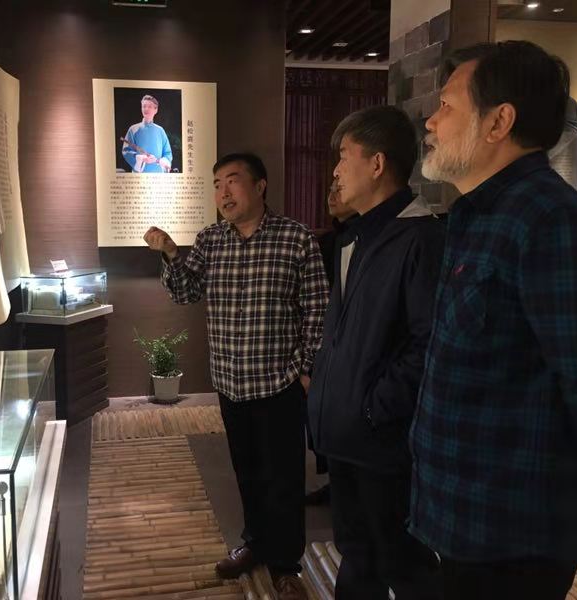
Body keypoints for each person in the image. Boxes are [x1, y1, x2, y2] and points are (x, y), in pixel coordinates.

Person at [409, 41, 577, 600]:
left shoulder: (551, 223)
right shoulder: (477, 214)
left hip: (514, 535)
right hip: (463, 518)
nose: (431, 121)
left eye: (447, 105)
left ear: (499, 121)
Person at [143, 152, 328, 600]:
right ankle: (255, 543)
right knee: (247, 472)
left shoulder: (296, 239)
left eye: (232, 181)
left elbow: (318, 311)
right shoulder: (210, 240)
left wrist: (306, 372)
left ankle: (285, 565)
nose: (223, 192)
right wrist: (171, 253)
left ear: (260, 186)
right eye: (216, 184)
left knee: (283, 478)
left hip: (279, 384)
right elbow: (185, 292)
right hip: (230, 383)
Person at [307, 105, 444, 600]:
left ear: (378, 163)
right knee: (357, 552)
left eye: (345, 156)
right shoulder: (358, 234)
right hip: (349, 435)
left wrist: (373, 406)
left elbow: (428, 343)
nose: (336, 171)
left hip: (382, 440)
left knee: (400, 561)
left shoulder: (421, 236)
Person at [305, 182, 356, 507]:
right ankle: (335, 482)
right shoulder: (326, 241)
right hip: (324, 343)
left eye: (340, 188)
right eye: (330, 189)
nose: (332, 195)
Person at [122, 94, 173, 173]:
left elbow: (167, 153)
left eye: (149, 106)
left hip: (158, 174)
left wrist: (158, 161)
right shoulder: (133, 129)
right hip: (139, 175)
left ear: (156, 110)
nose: (146, 109)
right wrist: (142, 158)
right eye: (144, 106)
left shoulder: (160, 130)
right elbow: (126, 151)